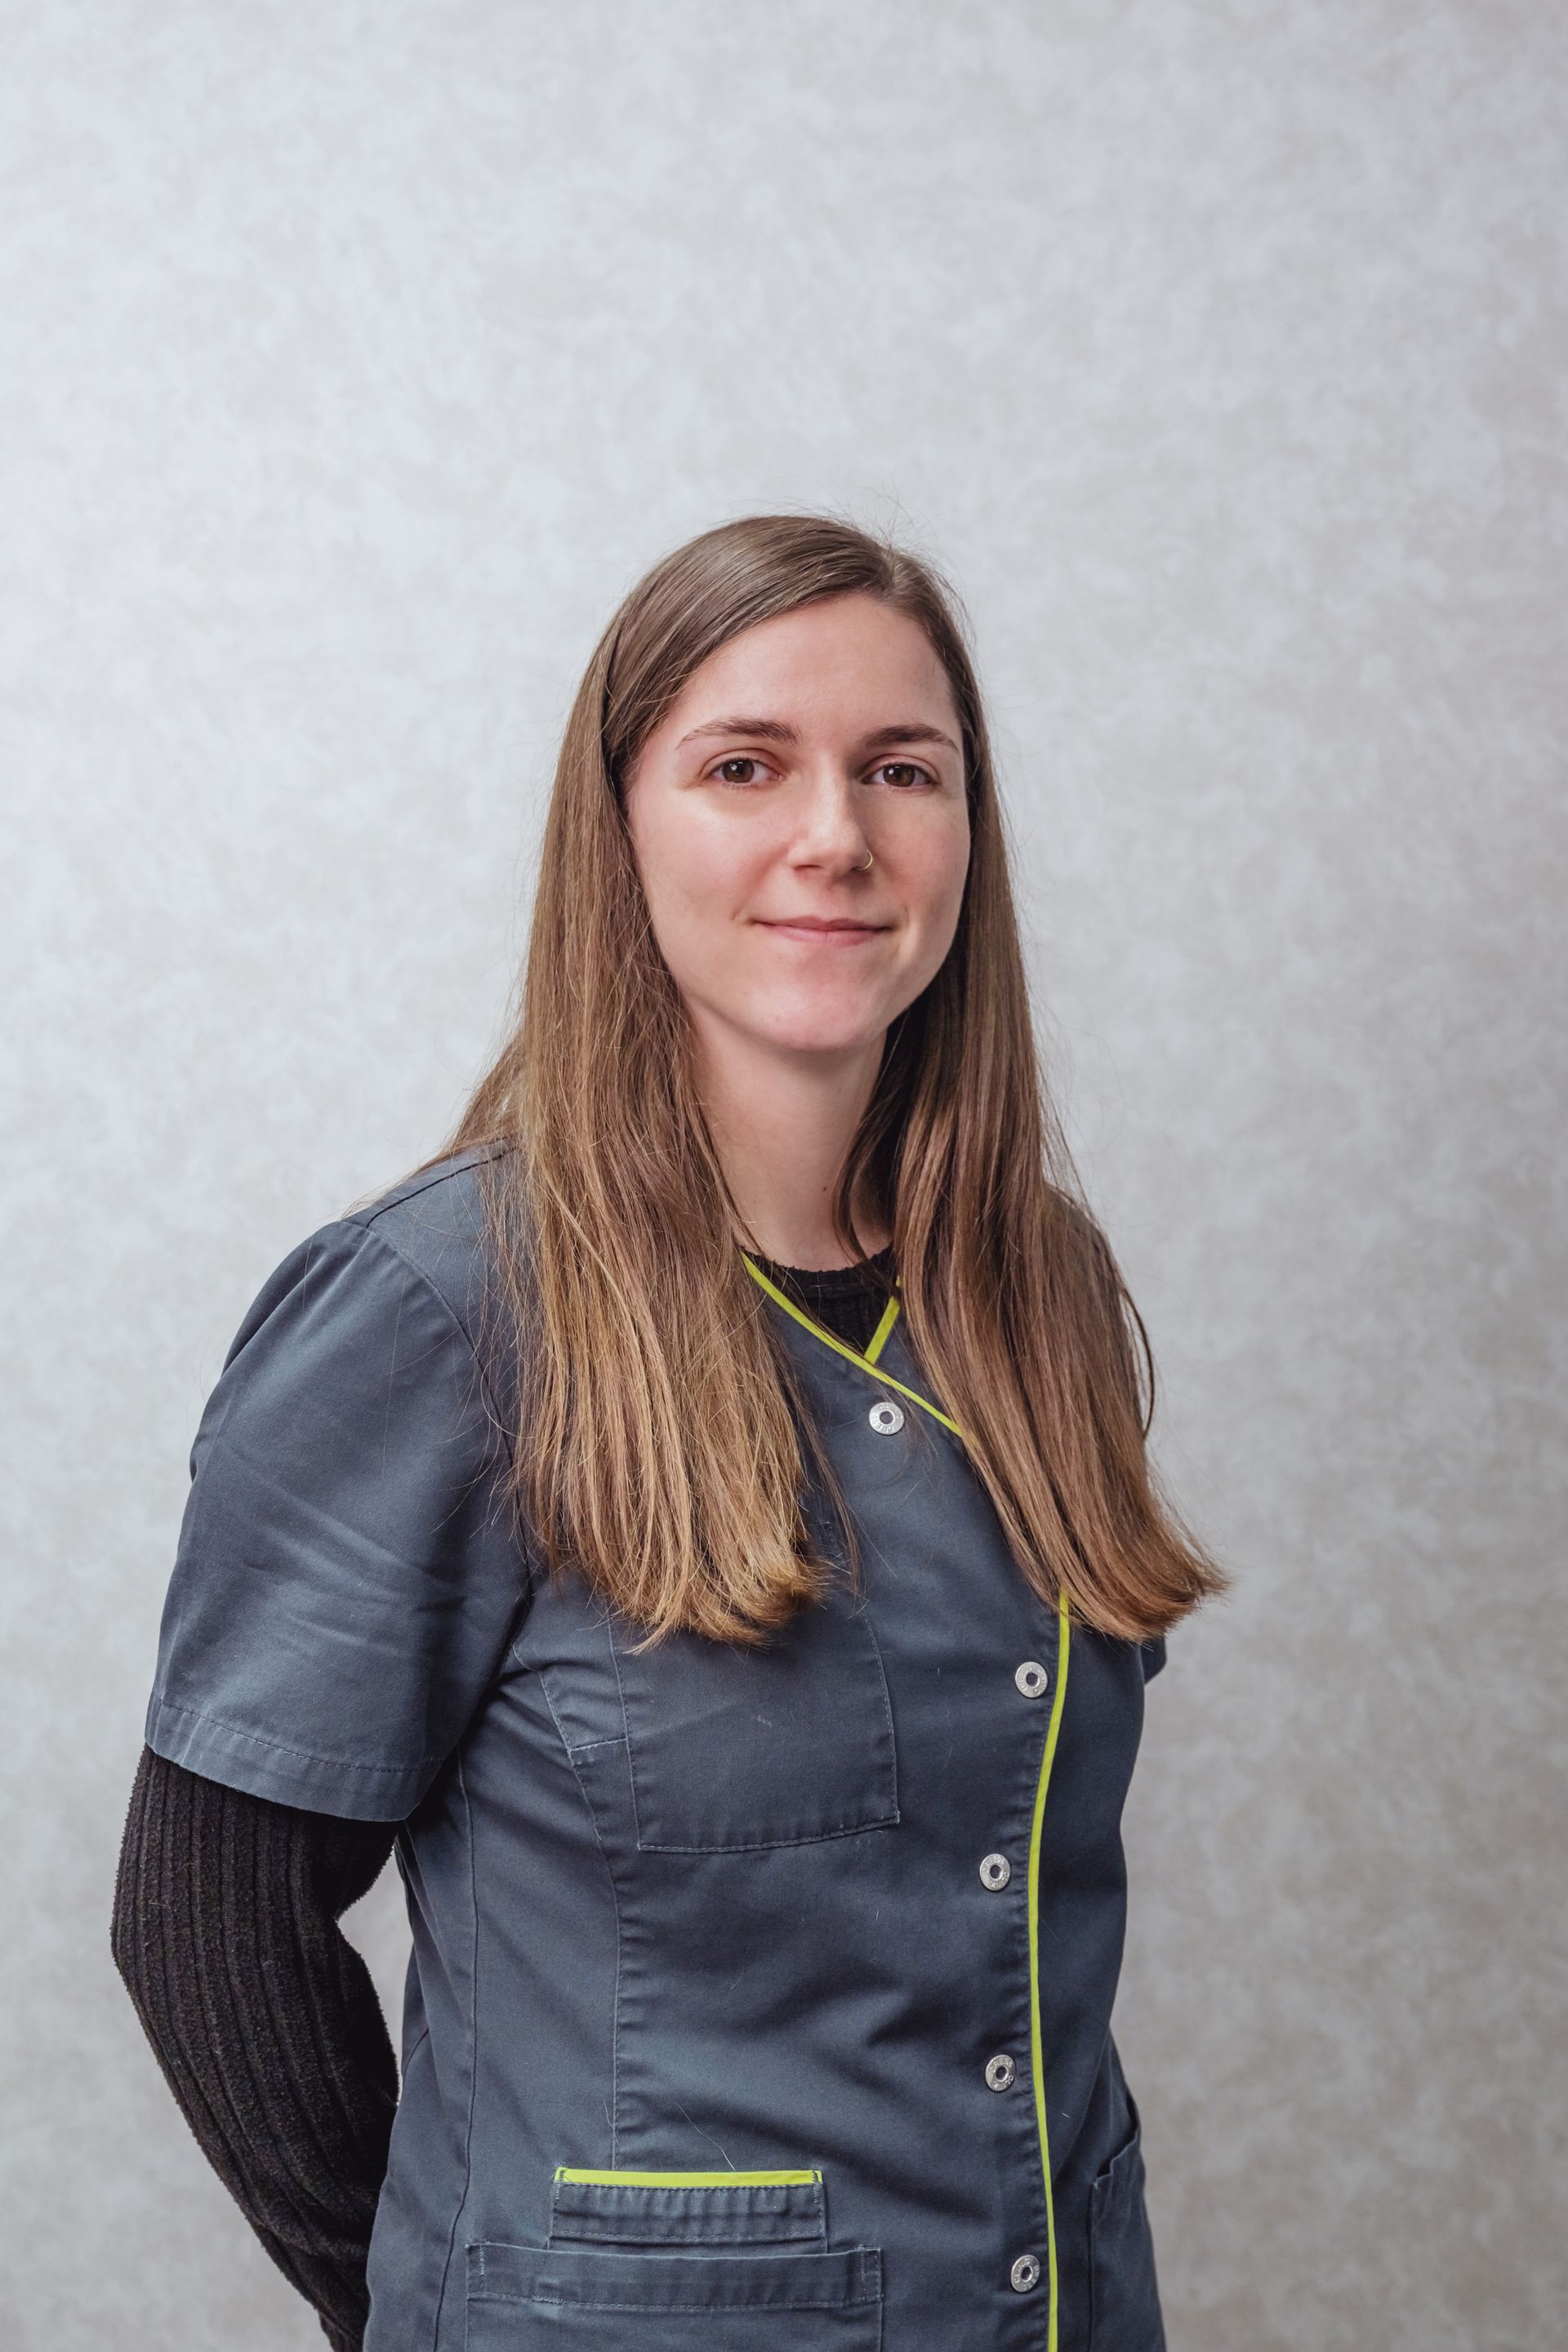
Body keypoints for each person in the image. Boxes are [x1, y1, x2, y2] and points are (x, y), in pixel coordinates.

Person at [113, 511, 1227, 2352]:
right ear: (618, 828)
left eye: (902, 770)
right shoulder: (439, 1313)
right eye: (743, 766)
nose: (836, 836)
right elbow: (210, 1924)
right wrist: (450, 2305)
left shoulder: (1034, 1289)